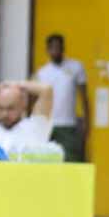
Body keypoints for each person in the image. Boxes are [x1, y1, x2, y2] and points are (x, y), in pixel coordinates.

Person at [35, 33, 88, 162]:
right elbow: (37, 101)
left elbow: (84, 97)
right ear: (47, 50)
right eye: (52, 48)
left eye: (58, 47)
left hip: (69, 125)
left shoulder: (76, 67)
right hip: (47, 125)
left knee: (72, 162)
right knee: (48, 163)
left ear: (63, 48)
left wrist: (86, 121)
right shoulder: (42, 73)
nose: (55, 51)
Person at [0, 79, 53, 156]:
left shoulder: (35, 128)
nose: (5, 114)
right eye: (1, 108)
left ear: (23, 105)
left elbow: (46, 90)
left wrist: (15, 84)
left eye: (10, 108)